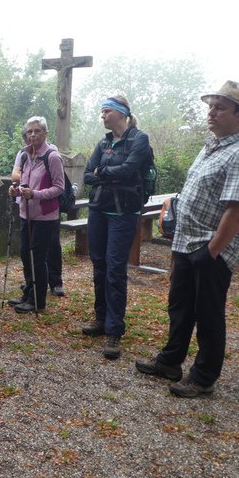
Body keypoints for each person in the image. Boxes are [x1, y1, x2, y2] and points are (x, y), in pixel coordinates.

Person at [136, 81, 239, 397]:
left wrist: (213, 250)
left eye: (220, 107)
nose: (212, 112)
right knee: (180, 307)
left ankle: (204, 377)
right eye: (211, 106)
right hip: (186, 241)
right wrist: (179, 242)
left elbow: (237, 210)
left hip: (211, 247)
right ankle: (170, 361)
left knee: (208, 313)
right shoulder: (211, 147)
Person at [81, 95, 152, 360]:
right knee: (98, 263)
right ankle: (101, 319)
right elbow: (88, 175)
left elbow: (130, 169)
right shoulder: (104, 142)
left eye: (106, 111)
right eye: (102, 111)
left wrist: (103, 173)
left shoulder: (139, 139)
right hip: (99, 209)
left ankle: (114, 330)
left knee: (114, 268)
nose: (102, 115)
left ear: (121, 113)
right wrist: (106, 173)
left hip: (123, 212)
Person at [7, 116, 64, 314]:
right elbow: (22, 181)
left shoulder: (52, 157)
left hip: (45, 217)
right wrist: (16, 190)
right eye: (29, 131)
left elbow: (59, 187)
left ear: (45, 133)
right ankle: (28, 294)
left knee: (37, 258)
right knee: (25, 254)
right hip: (26, 213)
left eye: (37, 131)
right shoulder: (24, 155)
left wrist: (36, 194)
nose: (32, 135)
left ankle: (38, 301)